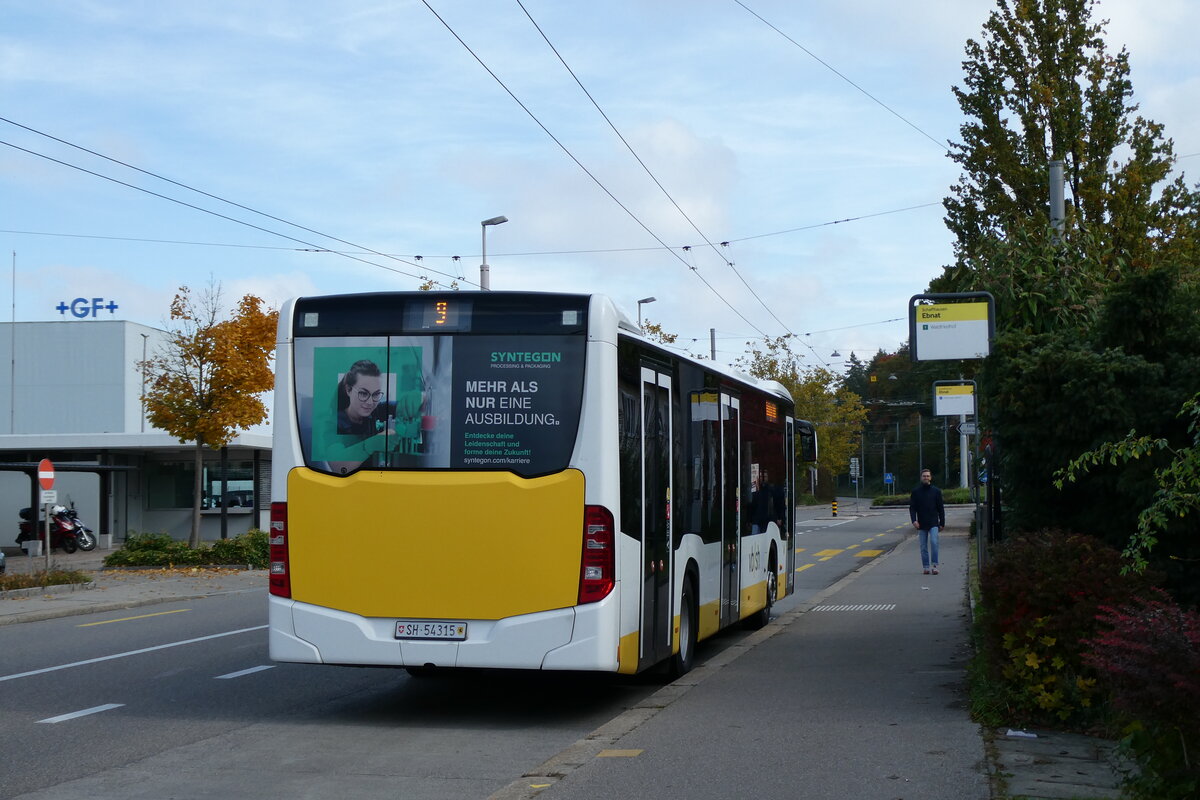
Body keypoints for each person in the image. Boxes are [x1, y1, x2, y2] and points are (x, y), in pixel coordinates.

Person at [909, 467, 945, 575]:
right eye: (924, 476)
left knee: (934, 542)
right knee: (923, 546)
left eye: (928, 476)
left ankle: (934, 565)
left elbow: (940, 508)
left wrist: (942, 523)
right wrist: (914, 521)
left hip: (934, 522)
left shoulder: (936, 491)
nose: (926, 478)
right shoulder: (915, 492)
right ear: (921, 478)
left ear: (931, 477)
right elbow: (912, 508)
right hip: (921, 523)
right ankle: (926, 566)